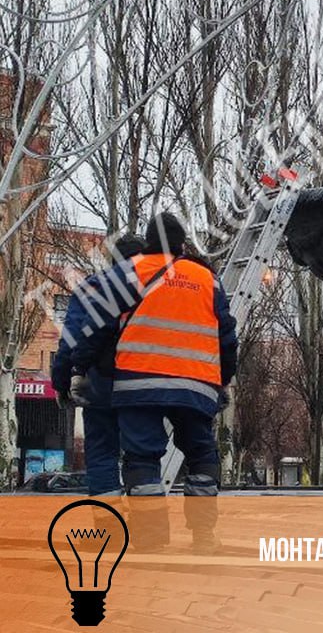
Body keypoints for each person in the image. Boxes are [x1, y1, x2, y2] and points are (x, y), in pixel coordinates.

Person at [69, 212, 238, 552]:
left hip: (139, 383)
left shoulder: (131, 273)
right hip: (195, 384)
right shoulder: (206, 278)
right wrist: (224, 380)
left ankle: (151, 538)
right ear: (182, 243)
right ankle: (203, 536)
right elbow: (227, 337)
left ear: (148, 243)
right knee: (201, 455)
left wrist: (80, 368)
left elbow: (98, 327)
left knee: (143, 457)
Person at [52, 232, 146, 497]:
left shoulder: (92, 286)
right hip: (145, 385)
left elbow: (70, 341)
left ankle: (107, 531)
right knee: (142, 456)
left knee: (102, 454)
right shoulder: (158, 289)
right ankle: (147, 528)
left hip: (101, 383)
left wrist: (61, 382)